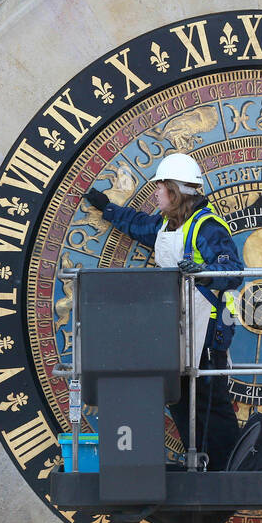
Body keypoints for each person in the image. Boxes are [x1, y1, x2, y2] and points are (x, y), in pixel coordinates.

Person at [82, 153, 242, 471]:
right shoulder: (167, 225)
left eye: (160, 187)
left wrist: (204, 273)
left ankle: (229, 472)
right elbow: (138, 225)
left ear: (175, 190)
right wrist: (106, 208)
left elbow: (234, 271)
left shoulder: (207, 227)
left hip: (209, 328)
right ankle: (203, 467)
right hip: (177, 326)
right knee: (180, 398)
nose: (155, 192)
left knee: (210, 400)